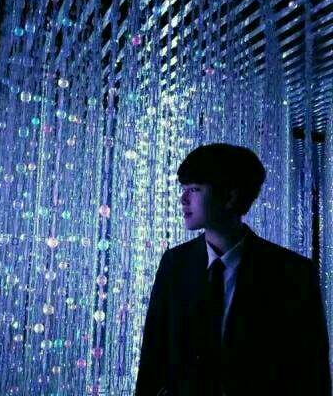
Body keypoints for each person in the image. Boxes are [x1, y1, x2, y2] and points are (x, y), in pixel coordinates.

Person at [135, 143, 331, 396]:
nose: (183, 199)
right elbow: (152, 357)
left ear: (230, 197)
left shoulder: (291, 273)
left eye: (194, 189)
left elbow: (311, 371)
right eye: (184, 189)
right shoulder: (175, 263)